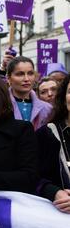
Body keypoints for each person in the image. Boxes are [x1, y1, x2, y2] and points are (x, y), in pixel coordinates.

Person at [36, 74, 70, 214]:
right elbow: (32, 176)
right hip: (58, 220)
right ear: (63, 98)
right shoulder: (47, 134)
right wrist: (55, 192)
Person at [7, 56, 52, 131]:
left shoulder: (47, 109)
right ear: (9, 78)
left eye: (30, 73)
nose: (26, 79)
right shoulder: (0, 106)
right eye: (20, 74)